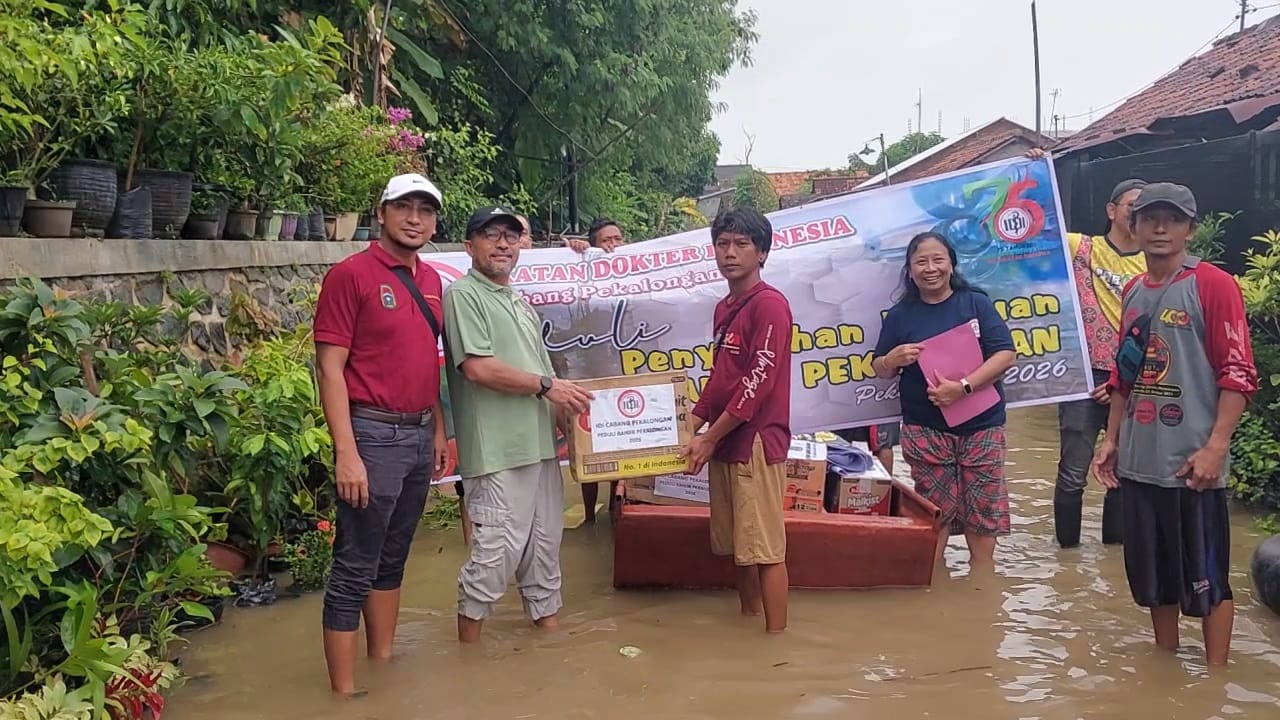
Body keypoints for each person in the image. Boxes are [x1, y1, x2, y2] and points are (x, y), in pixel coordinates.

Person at [1093, 183, 1257, 666]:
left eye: (1172, 219)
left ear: (1190, 228)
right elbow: (1125, 374)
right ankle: (1164, 667)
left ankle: (1215, 679)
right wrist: (1112, 439)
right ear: (1134, 225)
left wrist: (1215, 448)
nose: (1160, 228)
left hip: (1192, 464)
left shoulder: (1212, 284)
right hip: (1140, 461)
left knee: (1209, 578)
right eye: (1149, 218)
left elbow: (1239, 375)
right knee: (1153, 578)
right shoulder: (1133, 290)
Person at [313, 173, 451, 696]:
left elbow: (426, 361)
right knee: (355, 562)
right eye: (404, 207)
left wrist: (437, 429)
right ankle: (345, 695)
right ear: (382, 212)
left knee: (394, 557)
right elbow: (330, 370)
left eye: (426, 209)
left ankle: (383, 665)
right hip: (371, 433)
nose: (415, 218)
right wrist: (346, 454)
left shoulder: (434, 281)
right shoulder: (351, 275)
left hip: (418, 435)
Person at [445, 205, 595, 642]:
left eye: (511, 236)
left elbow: (540, 375)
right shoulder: (463, 295)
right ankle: (467, 664)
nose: (503, 244)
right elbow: (478, 368)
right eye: (491, 235)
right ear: (469, 245)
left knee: (544, 557)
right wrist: (549, 386)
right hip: (496, 455)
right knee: (492, 560)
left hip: (541, 450)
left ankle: (549, 655)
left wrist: (574, 428)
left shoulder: (520, 302)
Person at [872, 232, 1017, 574]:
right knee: (934, 508)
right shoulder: (899, 316)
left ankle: (981, 583)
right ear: (909, 271)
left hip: (982, 424)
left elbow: (1006, 354)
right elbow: (879, 370)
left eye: (938, 259)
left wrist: (963, 387)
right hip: (925, 428)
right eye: (921, 262)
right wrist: (891, 358)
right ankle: (933, 583)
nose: (930, 268)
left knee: (983, 508)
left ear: (951, 264)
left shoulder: (976, 304)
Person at [680, 207, 794, 633]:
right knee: (739, 547)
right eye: (723, 244)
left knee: (766, 548)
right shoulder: (724, 307)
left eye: (742, 244)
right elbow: (721, 380)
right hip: (727, 438)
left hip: (756, 441)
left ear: (762, 253)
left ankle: (775, 644)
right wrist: (689, 425)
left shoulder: (770, 305)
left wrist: (708, 438)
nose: (730, 253)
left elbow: (757, 383)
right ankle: (749, 625)